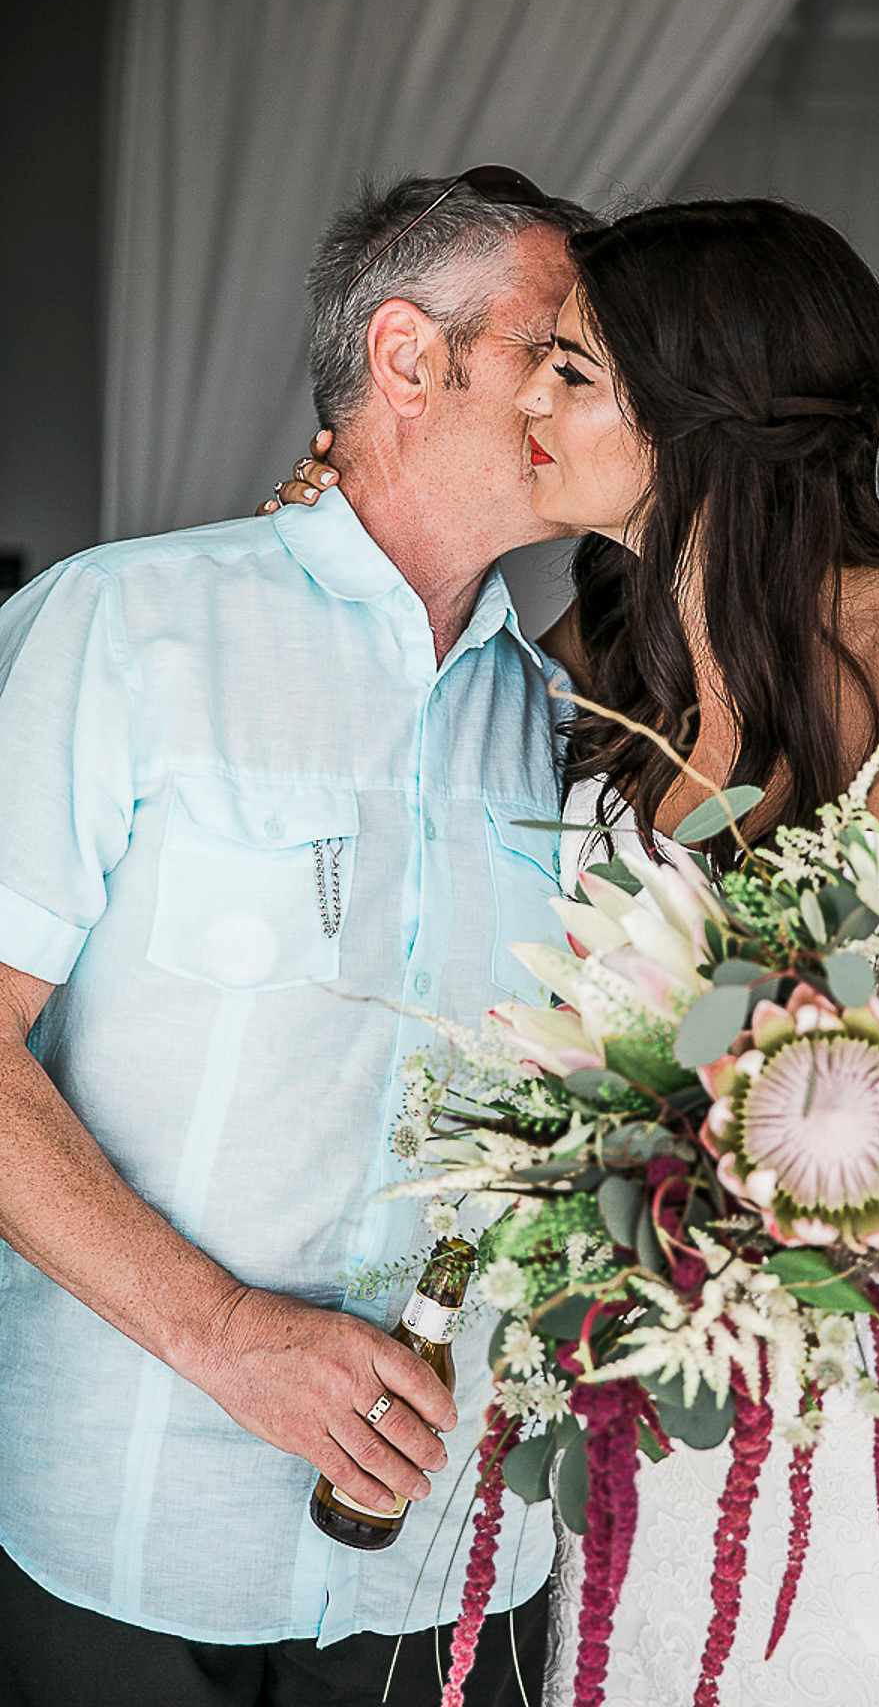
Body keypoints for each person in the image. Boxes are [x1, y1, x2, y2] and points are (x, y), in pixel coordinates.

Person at [276, 199, 879, 1705]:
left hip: (875, 1390)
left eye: (572, 372)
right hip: (652, 1398)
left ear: (701, 407)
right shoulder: (603, 654)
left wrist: (823, 1161)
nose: (530, 400)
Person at [0, 170, 597, 1707]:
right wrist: (227, 1337)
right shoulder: (121, 631)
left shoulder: (569, 731)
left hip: (458, 1572)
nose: (588, 398)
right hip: (125, 1540)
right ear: (410, 357)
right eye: (557, 352)